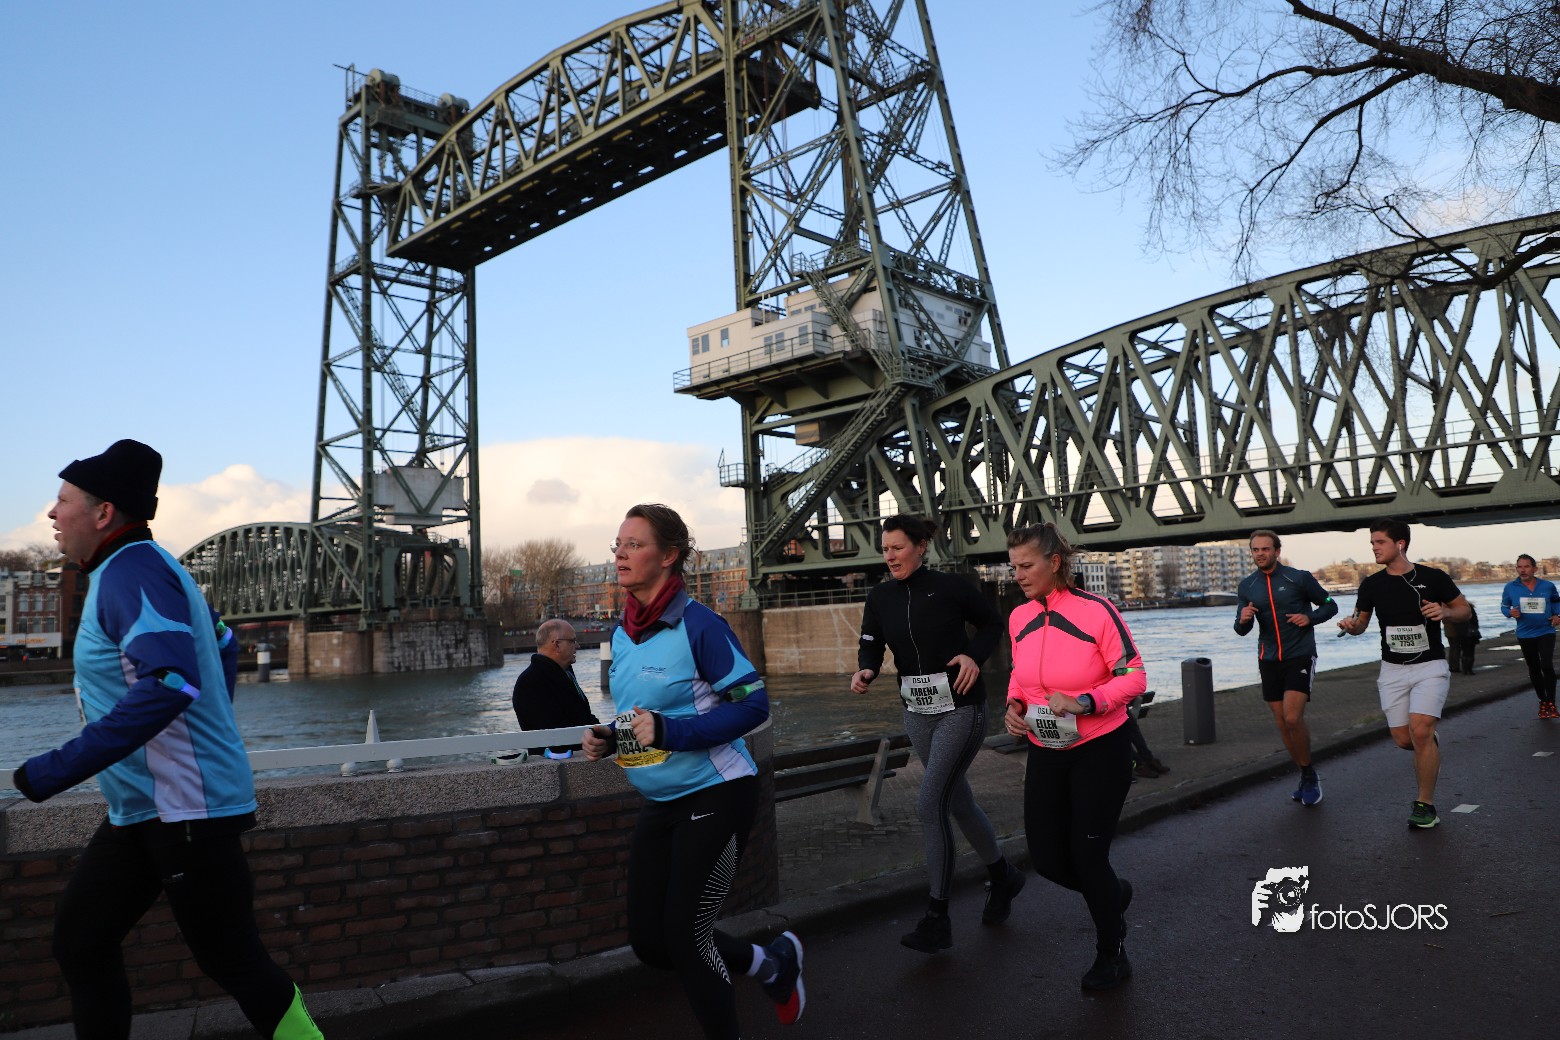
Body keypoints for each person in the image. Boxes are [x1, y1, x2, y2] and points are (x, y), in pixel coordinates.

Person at [9, 440, 323, 1040]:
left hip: (186, 810)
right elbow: (224, 643)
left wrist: (52, 770)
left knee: (232, 958)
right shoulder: (138, 567)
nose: (51, 512)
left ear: (104, 513)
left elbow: (170, 682)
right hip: (144, 809)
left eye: (63, 499)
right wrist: (207, 729)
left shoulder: (131, 572)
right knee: (81, 942)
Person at [580, 504, 803, 1039]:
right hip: (662, 801)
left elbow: (752, 706)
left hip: (717, 792)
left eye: (634, 544)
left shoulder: (700, 625)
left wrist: (670, 731)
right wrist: (611, 737)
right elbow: (646, 717)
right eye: (618, 545)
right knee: (650, 943)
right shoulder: (623, 631)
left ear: (669, 556)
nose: (620, 555)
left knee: (686, 934)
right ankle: (771, 964)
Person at [849, 515, 1023, 954]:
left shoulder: (950, 587)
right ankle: (1003, 875)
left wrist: (972, 656)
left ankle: (937, 916)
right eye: (885, 549)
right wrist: (866, 668)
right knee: (957, 801)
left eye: (898, 548)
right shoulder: (880, 596)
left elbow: (992, 624)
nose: (890, 556)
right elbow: (871, 641)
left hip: (961, 709)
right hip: (917, 712)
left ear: (921, 547)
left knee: (930, 804)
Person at [1003, 523, 1147, 990]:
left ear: (1055, 563)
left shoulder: (1096, 610)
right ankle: (1112, 893)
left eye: (1026, 565)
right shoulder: (1018, 617)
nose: (1018, 575)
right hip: (1046, 748)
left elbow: (1134, 676)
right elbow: (1020, 675)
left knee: (1088, 856)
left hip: (1100, 748)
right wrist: (1014, 706)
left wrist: (1086, 701)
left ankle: (1112, 953)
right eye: (1014, 566)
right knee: (1046, 859)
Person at [1336, 518, 1472, 829]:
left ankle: (1425, 805)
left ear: (1400, 544)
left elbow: (1464, 610)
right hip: (1392, 670)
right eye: (1372, 543)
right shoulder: (1371, 585)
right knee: (1403, 739)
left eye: (1380, 542)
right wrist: (1350, 626)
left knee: (1420, 731)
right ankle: (1428, 742)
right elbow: (1360, 624)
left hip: (1430, 666)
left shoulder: (1433, 577)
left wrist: (1446, 611)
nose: (1374, 548)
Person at [1232, 529, 1338, 805]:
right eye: (1255, 550)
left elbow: (1330, 605)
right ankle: (1304, 772)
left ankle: (1310, 775)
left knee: (1292, 718)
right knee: (1281, 722)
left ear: (1277, 551)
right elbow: (1240, 630)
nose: (1260, 554)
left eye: (1265, 549)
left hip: (1299, 655)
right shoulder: (1248, 586)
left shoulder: (1298, 578)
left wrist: (1309, 618)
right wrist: (1243, 619)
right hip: (1268, 659)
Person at [511, 617, 598, 756]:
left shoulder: (563, 673)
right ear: (556, 644)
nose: (578, 646)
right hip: (558, 761)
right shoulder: (530, 683)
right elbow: (555, 733)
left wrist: (605, 733)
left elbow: (582, 717)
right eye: (572, 641)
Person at [1500, 554, 1560, 718]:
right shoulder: (1510, 587)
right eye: (1520, 567)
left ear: (1534, 569)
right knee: (1534, 668)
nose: (1523, 570)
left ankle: (1551, 703)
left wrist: (1557, 615)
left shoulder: (1547, 586)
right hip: (1525, 633)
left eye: (1526, 567)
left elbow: (1556, 601)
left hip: (1546, 631)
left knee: (1546, 665)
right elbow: (1504, 606)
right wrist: (1510, 612)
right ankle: (1543, 701)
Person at [1443, 603, 1481, 676]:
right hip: (1467, 634)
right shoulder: (1467, 609)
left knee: (1460, 650)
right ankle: (1467, 669)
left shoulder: (1448, 610)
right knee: (1469, 652)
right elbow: (1475, 620)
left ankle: (1462, 668)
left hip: (1457, 633)